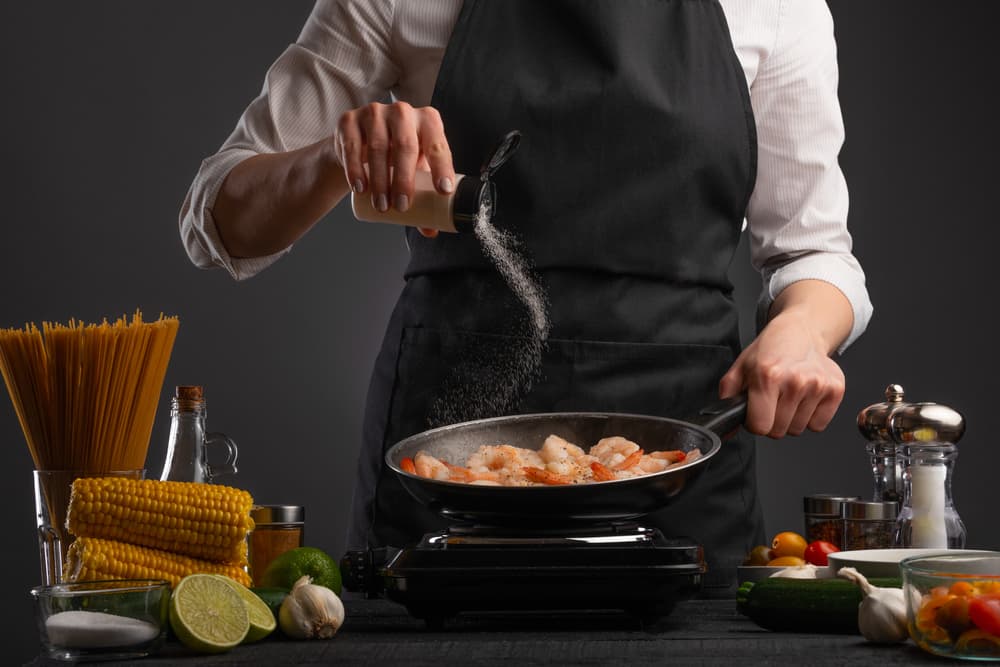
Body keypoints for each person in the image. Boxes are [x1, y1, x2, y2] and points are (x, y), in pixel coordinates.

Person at [180, 0, 873, 593]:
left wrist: (804, 331)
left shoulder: (778, 8)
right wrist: (338, 154)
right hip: (447, 468)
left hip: (681, 468)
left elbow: (814, 253)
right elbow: (217, 219)